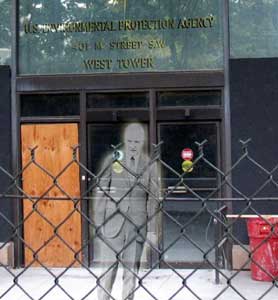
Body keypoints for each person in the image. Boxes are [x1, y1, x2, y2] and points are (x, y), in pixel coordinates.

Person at [92, 123, 159, 300]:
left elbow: (153, 199)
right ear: (125, 140)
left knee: (131, 274)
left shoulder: (150, 165)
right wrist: (99, 224)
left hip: (137, 228)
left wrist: (151, 229)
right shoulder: (113, 159)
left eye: (137, 141)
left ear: (142, 141)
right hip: (112, 226)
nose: (133, 145)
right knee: (107, 272)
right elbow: (101, 192)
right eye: (129, 140)